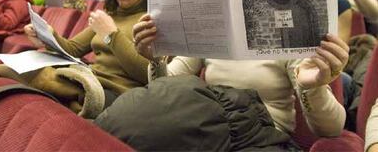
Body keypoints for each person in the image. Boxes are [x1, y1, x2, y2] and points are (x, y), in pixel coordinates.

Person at [132, 14, 349, 144]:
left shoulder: (290, 35)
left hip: (261, 139)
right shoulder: (213, 28)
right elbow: (164, 90)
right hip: (207, 133)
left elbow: (331, 129)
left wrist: (312, 88)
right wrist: (157, 60)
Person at [0, 0, 149, 110]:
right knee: (10, 72)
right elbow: (73, 48)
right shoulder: (109, 17)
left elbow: (146, 73)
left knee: (13, 74)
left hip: (113, 92)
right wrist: (47, 34)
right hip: (88, 79)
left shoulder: (148, 20)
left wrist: (111, 34)